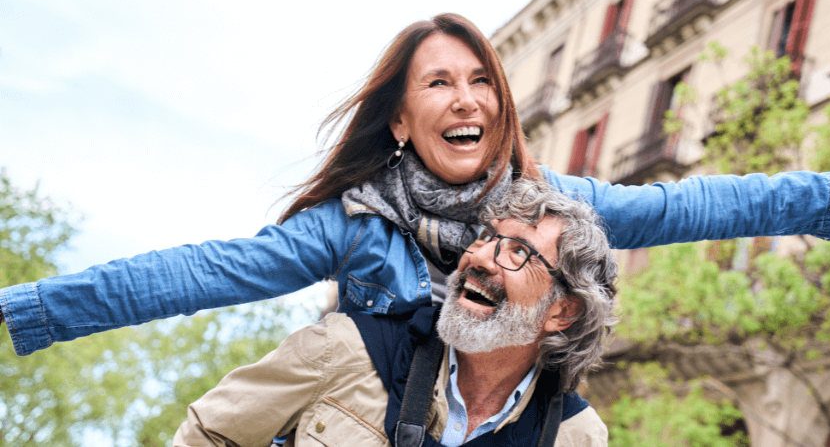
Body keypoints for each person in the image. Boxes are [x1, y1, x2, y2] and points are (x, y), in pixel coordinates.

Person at [1, 13, 830, 357]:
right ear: (401, 121)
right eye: (438, 83)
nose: (465, 98)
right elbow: (198, 272)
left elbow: (694, 203)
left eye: (480, 82)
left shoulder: (555, 204)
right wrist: (23, 310)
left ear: (501, 107)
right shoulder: (354, 226)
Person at [173, 179, 617, 447]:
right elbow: (210, 434)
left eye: (519, 251)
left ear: (563, 311)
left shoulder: (577, 435)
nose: (479, 258)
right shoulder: (343, 349)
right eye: (486, 238)